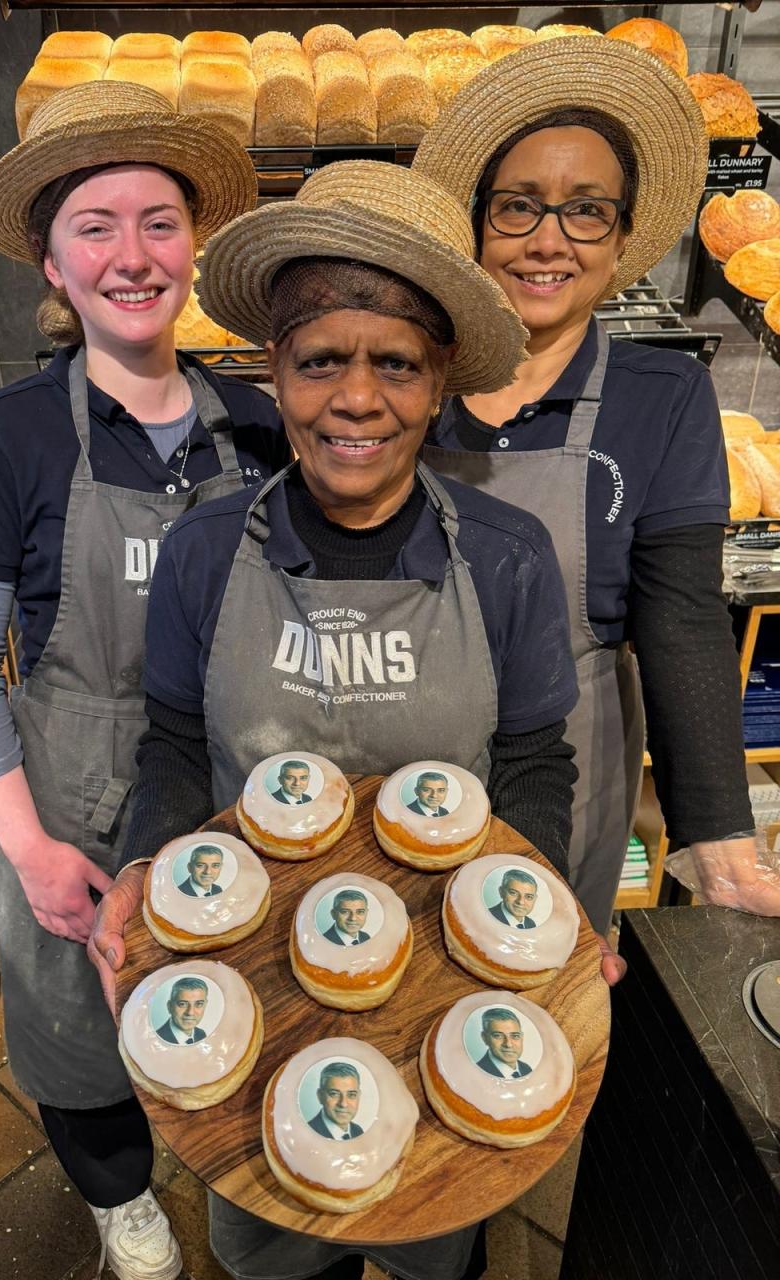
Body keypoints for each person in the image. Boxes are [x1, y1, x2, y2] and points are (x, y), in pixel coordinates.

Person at [90, 159, 585, 1280]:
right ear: (275, 372)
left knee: (428, 1237)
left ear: (441, 378)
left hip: (442, 987)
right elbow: (172, 743)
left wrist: (541, 911)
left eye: (396, 364)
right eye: (322, 361)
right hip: (245, 977)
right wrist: (138, 868)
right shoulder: (208, 551)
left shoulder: (505, 561)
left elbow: (534, 763)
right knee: (271, 1246)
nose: (357, 399)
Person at [0, 81, 290, 1280]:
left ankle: (258, 1187)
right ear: (51, 256)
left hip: (236, 797)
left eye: (159, 221)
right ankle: (125, 1206)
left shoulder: (262, 425)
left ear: (196, 246)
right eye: (96, 224)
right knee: (81, 1046)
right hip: (67, 808)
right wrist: (29, 847)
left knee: (251, 1021)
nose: (132, 256)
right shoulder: (9, 434)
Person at [413, 35, 780, 931]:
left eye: (585, 213)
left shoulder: (663, 396)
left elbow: (683, 617)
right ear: (475, 225)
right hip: (406, 746)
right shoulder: (404, 375)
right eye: (518, 208)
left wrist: (720, 838)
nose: (548, 241)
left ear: (619, 242)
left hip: (574, 763)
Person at [306, 1063, 365, 1139]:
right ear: (320, 1096)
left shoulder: (358, 1131)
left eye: (351, 1095)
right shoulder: (307, 1133)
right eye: (334, 1094)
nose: (343, 1104)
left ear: (359, 1096)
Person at [476, 1009, 532, 1079]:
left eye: (515, 1036)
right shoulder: (476, 1073)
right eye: (498, 1036)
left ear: (522, 1038)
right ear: (485, 1038)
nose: (508, 1044)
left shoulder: (526, 1069)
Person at [155, 978, 208, 1044]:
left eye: (199, 1004)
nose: (190, 1012)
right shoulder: (156, 1039)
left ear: (205, 1005)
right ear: (170, 1007)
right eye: (182, 1004)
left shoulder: (201, 1034)